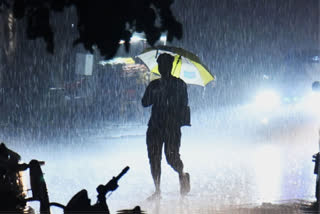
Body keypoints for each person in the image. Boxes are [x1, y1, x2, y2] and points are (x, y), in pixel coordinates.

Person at [141, 53, 190, 199]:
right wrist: (155, 93)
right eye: (160, 64)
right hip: (155, 126)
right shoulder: (154, 85)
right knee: (154, 158)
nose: (162, 67)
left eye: (165, 64)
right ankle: (157, 189)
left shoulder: (179, 84)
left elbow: (184, 104)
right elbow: (145, 102)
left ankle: (182, 175)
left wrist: (169, 98)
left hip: (171, 127)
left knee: (171, 156)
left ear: (170, 66)